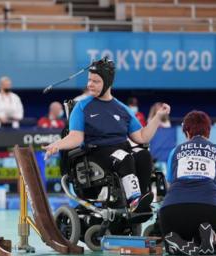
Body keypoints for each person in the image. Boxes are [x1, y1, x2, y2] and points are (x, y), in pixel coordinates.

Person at [43, 57, 170, 212]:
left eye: (96, 81)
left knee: (143, 155)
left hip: (121, 151)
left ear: (108, 83)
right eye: (89, 80)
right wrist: (56, 145)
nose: (90, 84)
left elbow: (142, 137)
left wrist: (157, 117)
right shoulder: (82, 106)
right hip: (96, 154)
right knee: (125, 157)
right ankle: (134, 200)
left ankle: (141, 200)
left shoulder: (122, 109)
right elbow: (76, 137)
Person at [160, 111, 216, 256]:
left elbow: (170, 185)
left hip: (172, 212)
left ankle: (179, 244)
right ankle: (213, 238)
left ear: (186, 132)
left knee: (172, 242)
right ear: (208, 132)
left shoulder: (175, 152)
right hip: (210, 210)